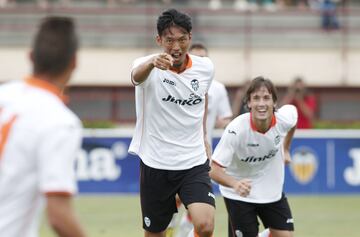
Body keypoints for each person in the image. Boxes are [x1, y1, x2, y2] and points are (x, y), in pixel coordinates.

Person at [128, 8, 215, 237]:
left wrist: (204, 136)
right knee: (156, 232)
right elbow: (136, 77)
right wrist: (151, 65)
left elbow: (202, 100)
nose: (176, 47)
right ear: (159, 40)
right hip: (156, 162)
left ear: (190, 38)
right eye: (169, 40)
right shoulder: (146, 66)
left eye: (182, 40)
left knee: (205, 225)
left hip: (193, 161)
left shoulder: (206, 68)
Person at [0, 17, 87, 237]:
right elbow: (59, 217)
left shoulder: (4, 94)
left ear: (30, 56)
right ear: (74, 62)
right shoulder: (60, 122)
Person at [209, 76, 297, 237]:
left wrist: (286, 149)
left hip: (271, 189)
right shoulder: (236, 130)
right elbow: (213, 170)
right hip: (239, 194)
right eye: (256, 98)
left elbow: (293, 118)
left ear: (274, 103)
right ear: (249, 103)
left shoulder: (284, 119)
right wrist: (235, 184)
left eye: (266, 98)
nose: (261, 103)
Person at [167, 43, 233, 237]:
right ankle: (171, 226)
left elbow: (226, 118)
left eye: (203, 58)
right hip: (173, 153)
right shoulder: (172, 81)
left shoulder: (217, 89)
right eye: (195, 56)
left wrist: (225, 125)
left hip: (202, 154)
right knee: (176, 199)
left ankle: (183, 232)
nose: (199, 61)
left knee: (199, 207)